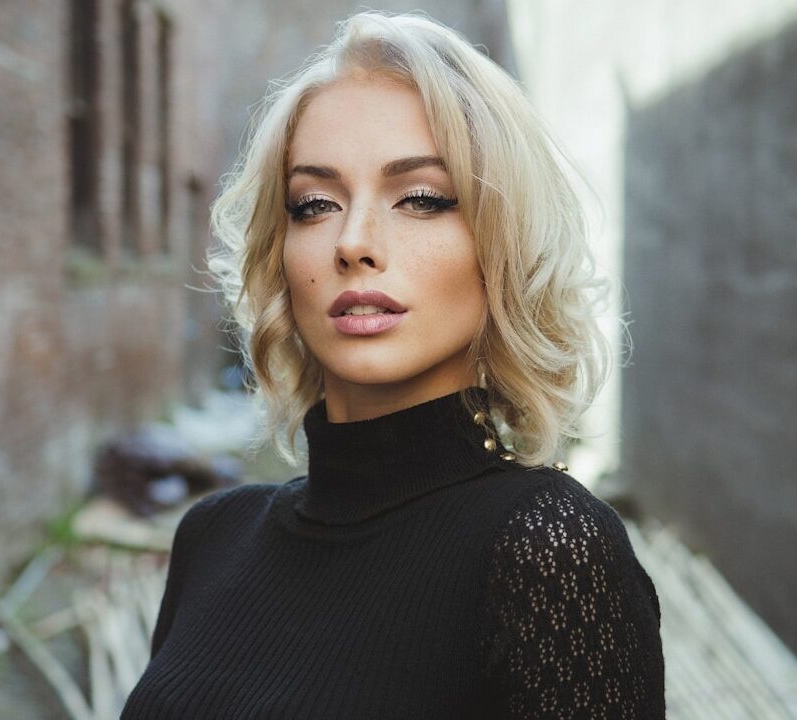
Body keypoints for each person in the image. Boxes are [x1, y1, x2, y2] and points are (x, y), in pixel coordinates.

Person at [122, 11, 664, 719]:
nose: (353, 242)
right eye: (314, 204)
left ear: (502, 243)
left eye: (421, 198)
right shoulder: (212, 536)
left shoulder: (549, 553)